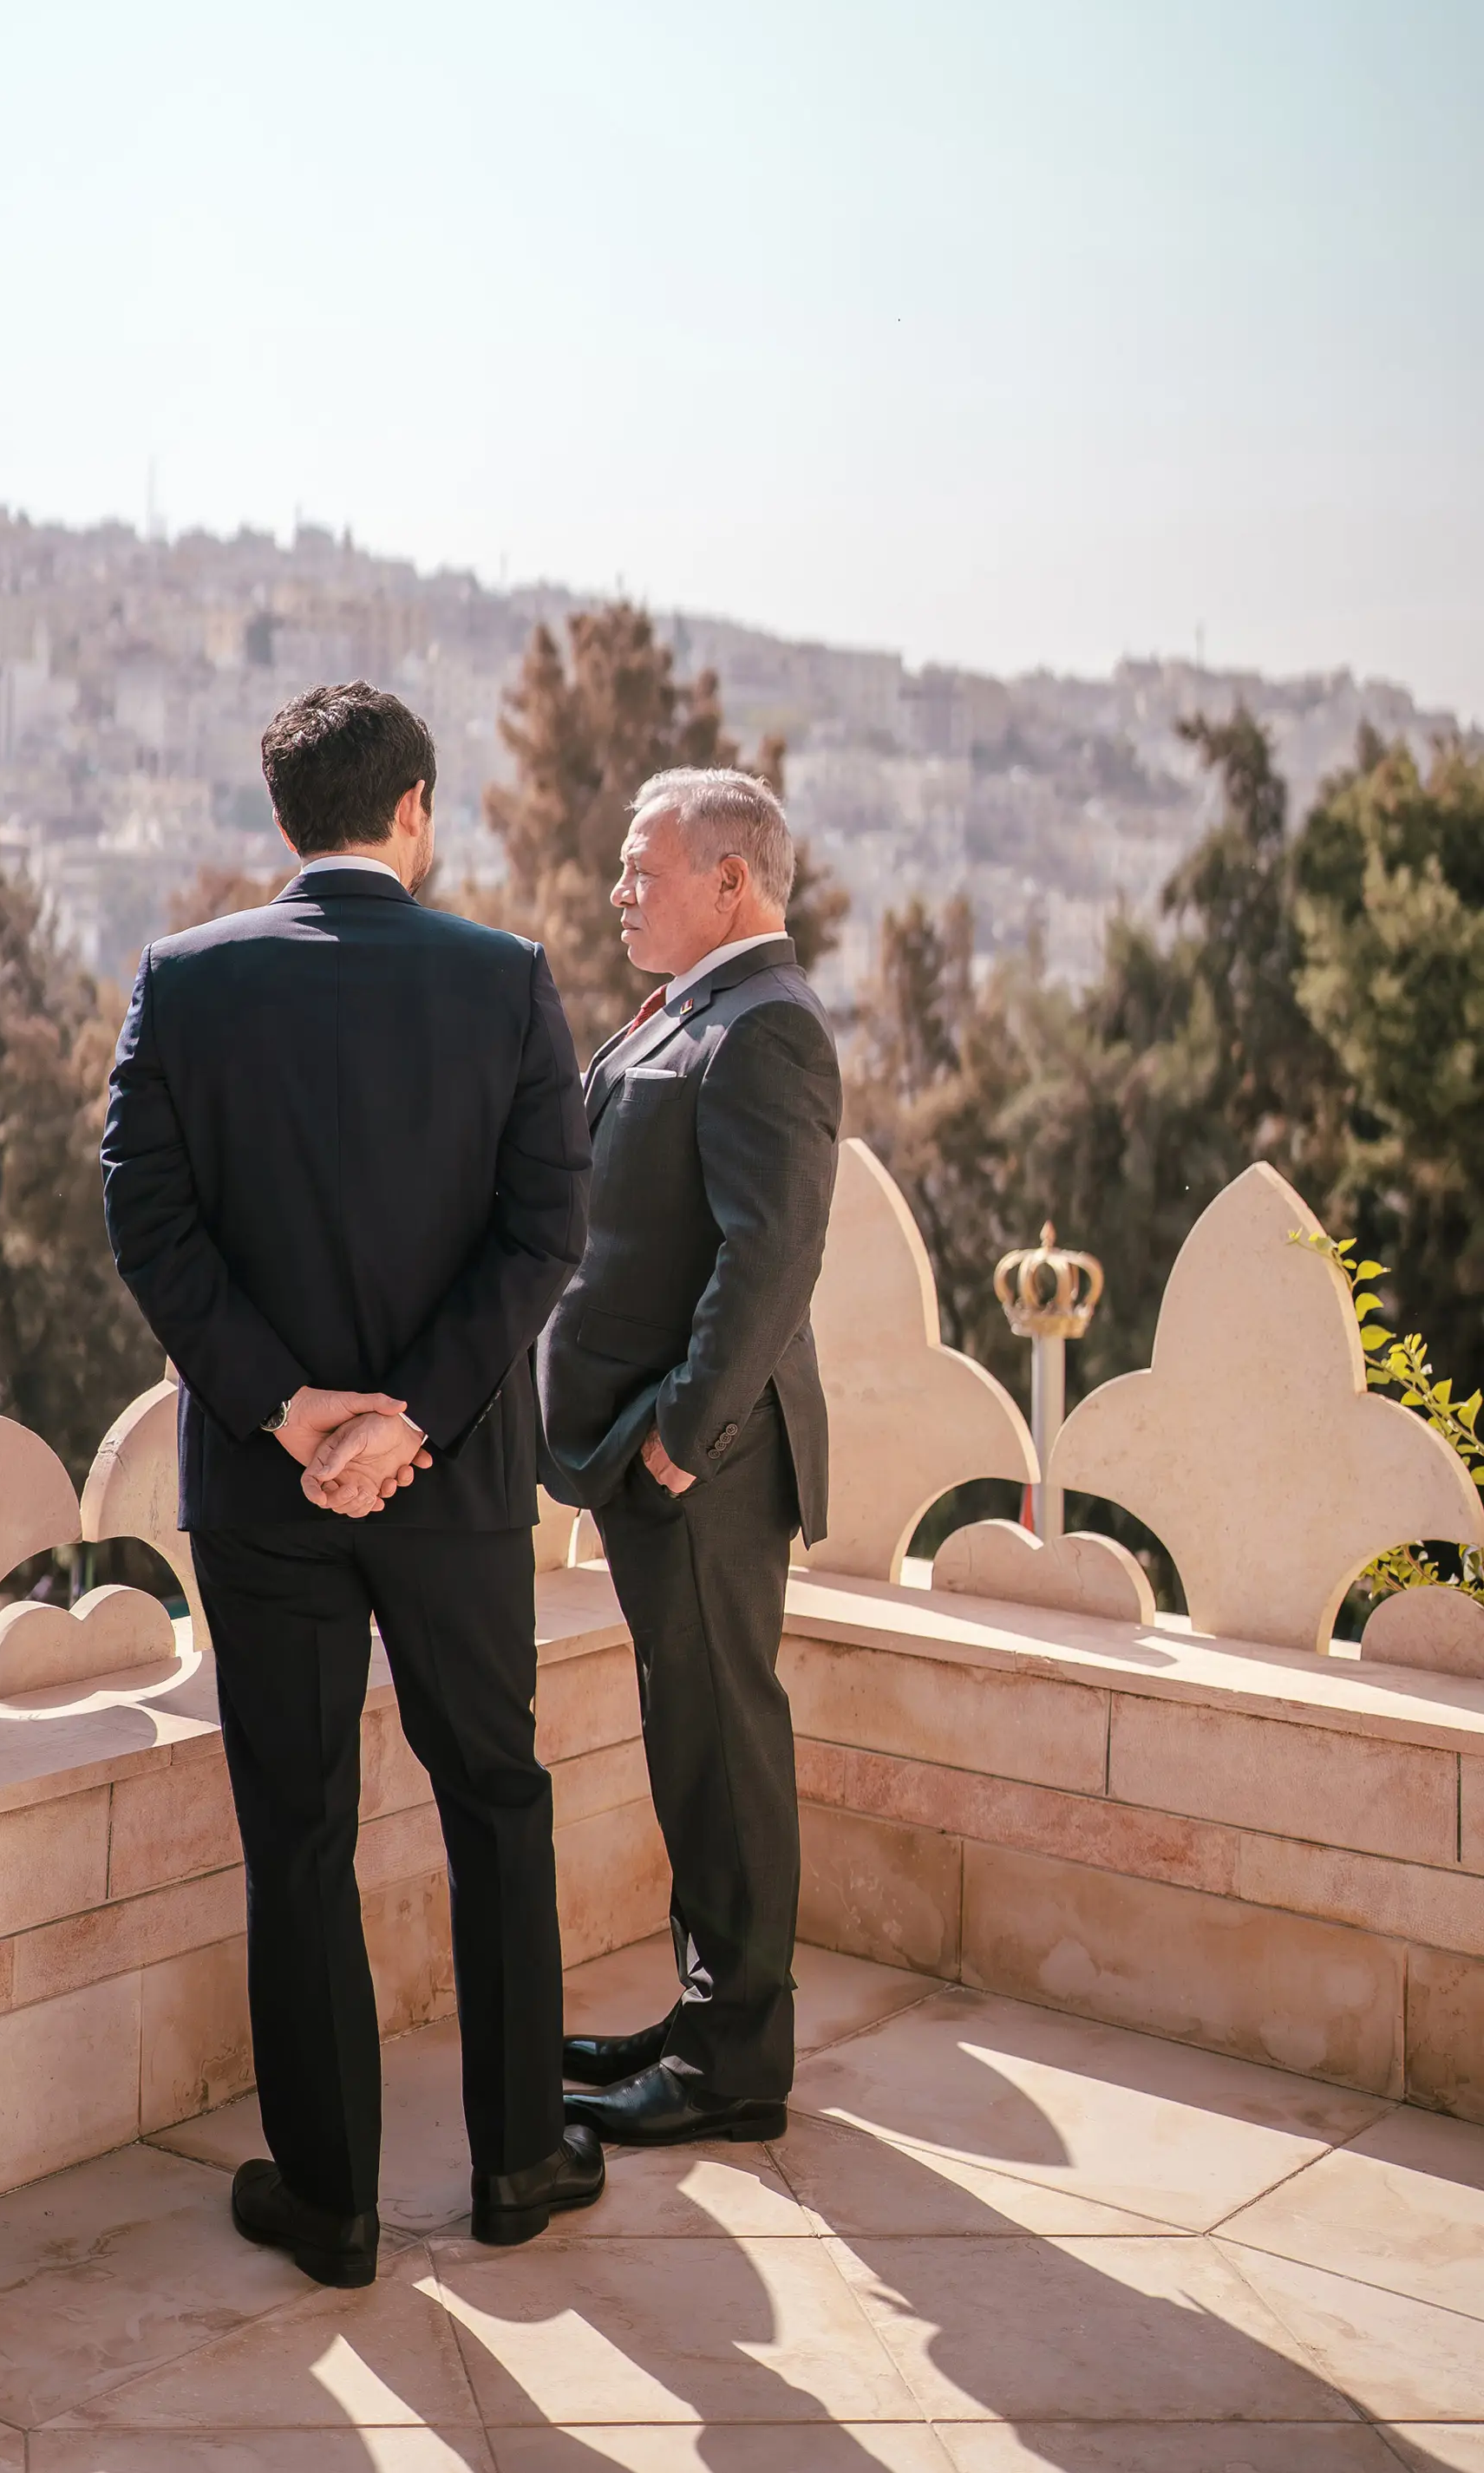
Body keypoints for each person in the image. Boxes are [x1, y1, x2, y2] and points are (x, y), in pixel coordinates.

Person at [102, 681, 605, 2288]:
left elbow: (148, 1225)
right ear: (418, 812)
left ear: (282, 822)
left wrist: (285, 1407)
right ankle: (522, 2159)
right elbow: (548, 1231)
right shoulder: (508, 977)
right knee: (497, 1798)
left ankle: (329, 2203)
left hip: (264, 1492)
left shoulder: (182, 985)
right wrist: (419, 1423)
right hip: (454, 1491)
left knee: (300, 1828)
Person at [538, 765, 840, 2146]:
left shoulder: (766, 1026)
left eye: (645, 871)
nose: (620, 893)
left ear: (734, 882)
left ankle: (734, 2070)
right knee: (690, 1747)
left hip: (706, 1472)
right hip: (659, 1463)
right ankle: (708, 2013)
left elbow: (768, 1262)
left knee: (724, 1753)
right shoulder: (700, 1007)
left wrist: (675, 1441)